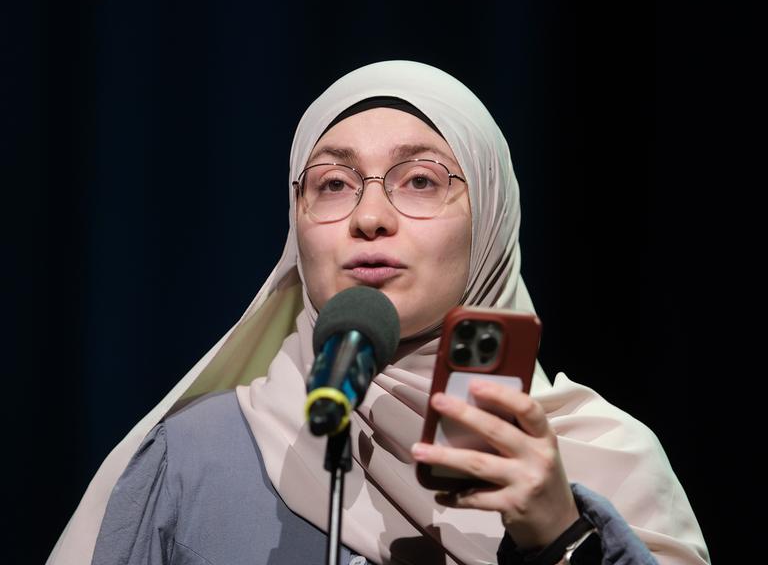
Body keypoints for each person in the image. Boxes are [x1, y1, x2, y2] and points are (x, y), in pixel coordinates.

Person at [47, 60, 709, 565]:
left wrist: (563, 535)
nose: (369, 218)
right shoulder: (196, 460)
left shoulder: (606, 466)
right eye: (332, 184)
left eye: (420, 180)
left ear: (492, 221)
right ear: (295, 222)